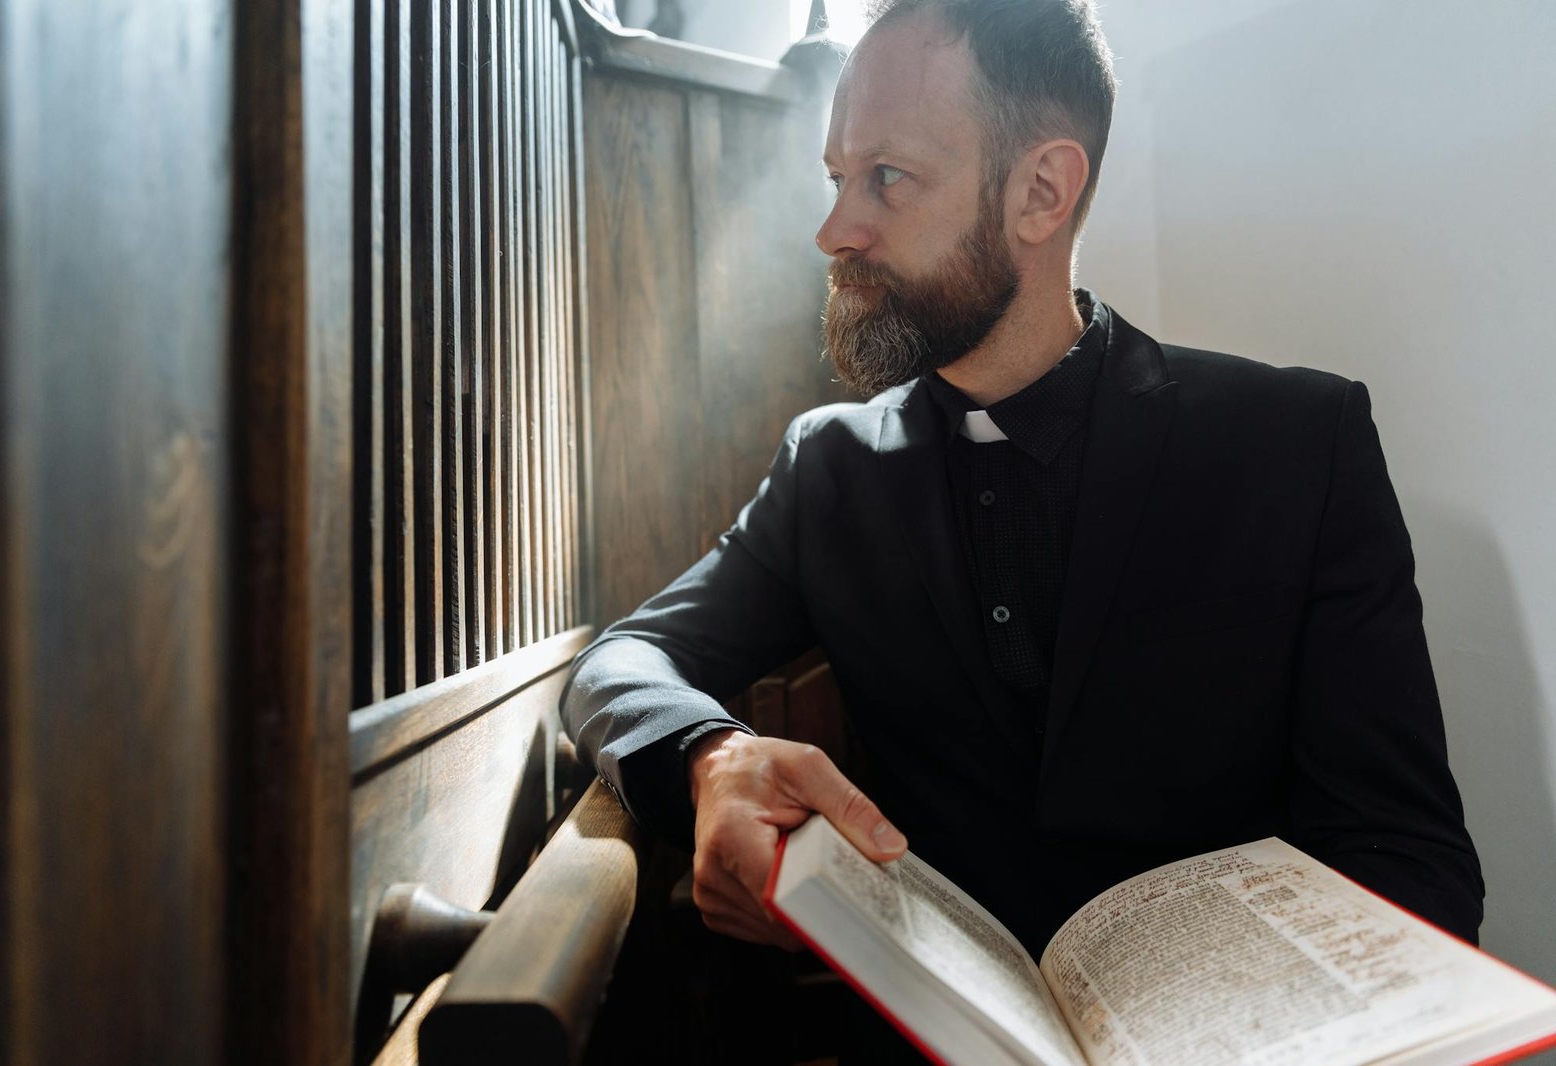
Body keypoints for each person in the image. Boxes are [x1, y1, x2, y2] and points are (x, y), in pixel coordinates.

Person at [562, 0, 1482, 1026]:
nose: (834, 232)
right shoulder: (828, 468)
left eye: (888, 179)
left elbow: (1410, 861)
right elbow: (623, 660)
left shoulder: (1298, 443)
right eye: (836, 178)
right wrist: (712, 756)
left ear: (1041, 191)